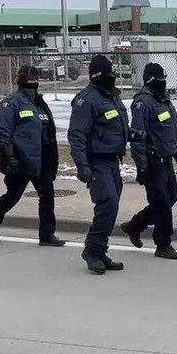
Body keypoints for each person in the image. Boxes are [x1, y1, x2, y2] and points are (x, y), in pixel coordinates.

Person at [0, 65, 65, 248]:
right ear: (21, 80)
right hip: (21, 160)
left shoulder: (40, 103)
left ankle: (47, 235)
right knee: (13, 196)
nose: (33, 82)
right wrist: (10, 157)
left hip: (42, 159)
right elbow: (2, 132)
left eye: (36, 79)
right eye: (29, 79)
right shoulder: (11, 102)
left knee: (47, 196)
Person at [68, 54, 132, 275]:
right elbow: (76, 134)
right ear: (97, 76)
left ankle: (100, 248)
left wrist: (135, 135)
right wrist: (81, 164)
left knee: (111, 207)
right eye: (108, 74)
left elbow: (116, 126)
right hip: (96, 160)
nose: (112, 77)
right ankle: (92, 251)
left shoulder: (112, 97)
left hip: (113, 160)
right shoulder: (86, 100)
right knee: (108, 203)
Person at [120, 62, 177, 260]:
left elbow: (171, 131)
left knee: (171, 197)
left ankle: (135, 225)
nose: (163, 82)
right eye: (160, 79)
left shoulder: (164, 100)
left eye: (165, 78)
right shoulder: (143, 103)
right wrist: (141, 166)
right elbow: (137, 137)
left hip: (166, 158)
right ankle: (163, 243)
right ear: (151, 80)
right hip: (151, 159)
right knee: (161, 202)